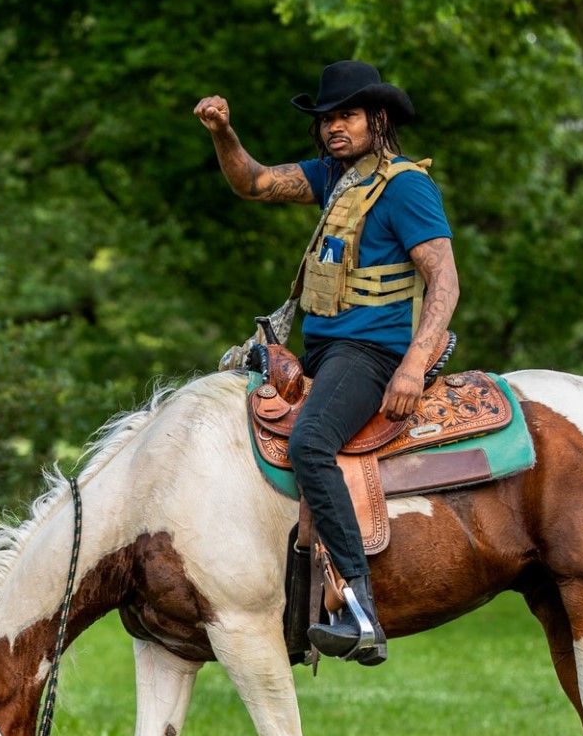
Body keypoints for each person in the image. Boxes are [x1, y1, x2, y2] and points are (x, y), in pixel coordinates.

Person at [195, 60, 459, 666]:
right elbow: (253, 183)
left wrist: (414, 366)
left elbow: (444, 279)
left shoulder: (404, 186)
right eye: (326, 119)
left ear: (378, 119)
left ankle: (361, 608)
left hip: (372, 354)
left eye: (347, 115)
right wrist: (222, 133)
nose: (334, 127)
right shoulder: (336, 179)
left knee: (312, 440)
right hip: (324, 353)